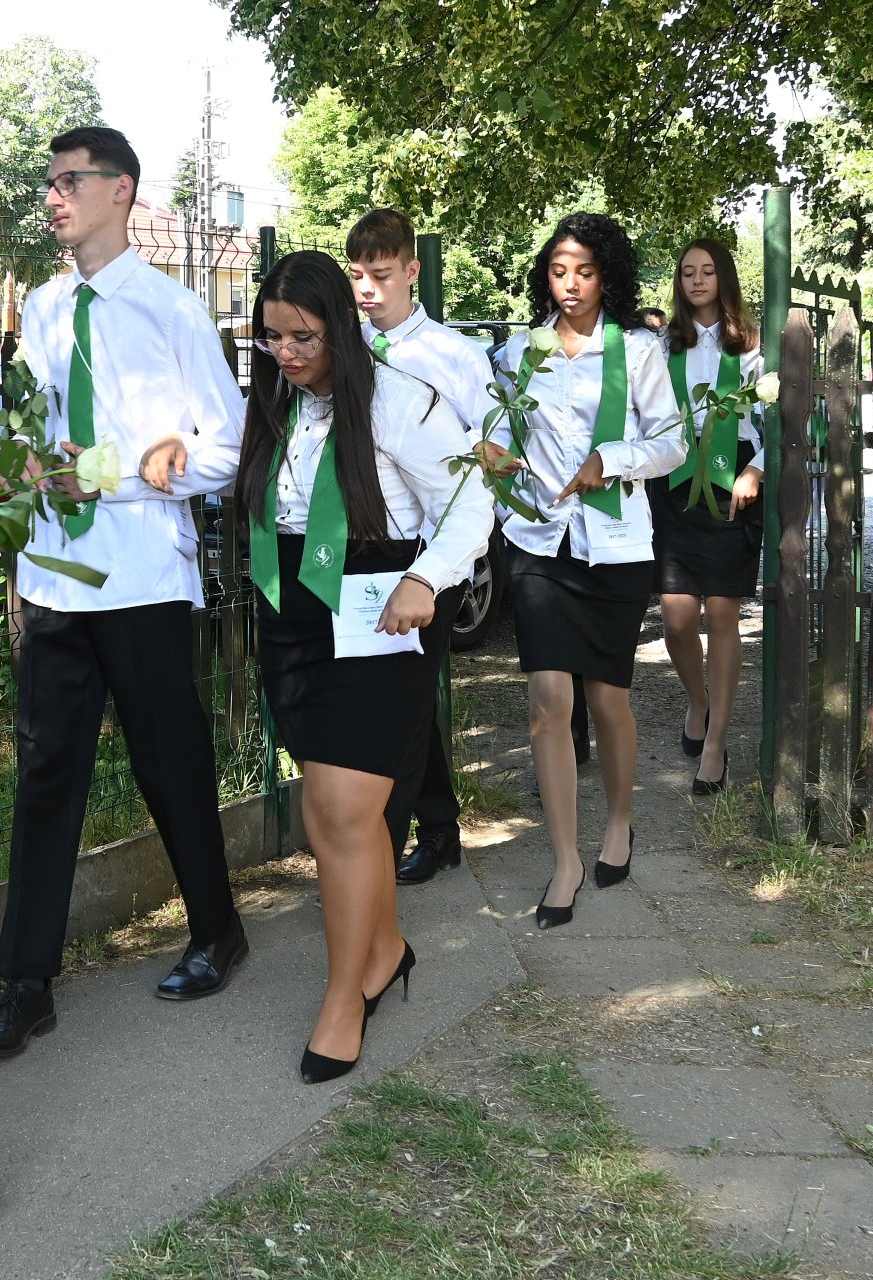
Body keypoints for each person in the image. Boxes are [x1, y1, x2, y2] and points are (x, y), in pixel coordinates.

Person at [0, 125, 248, 1059]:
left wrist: (111, 470)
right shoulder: (42, 309)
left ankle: (217, 931)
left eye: (70, 181)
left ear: (122, 190)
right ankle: (27, 984)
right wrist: (11, 471)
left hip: (139, 577)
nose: (53, 196)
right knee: (46, 778)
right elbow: (37, 434)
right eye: (48, 182)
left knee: (171, 763)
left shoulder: (172, 311)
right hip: (51, 578)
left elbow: (225, 447)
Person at [236, 250, 491, 1081]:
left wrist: (428, 579)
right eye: (272, 338)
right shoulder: (276, 400)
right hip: (293, 613)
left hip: (378, 609)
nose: (286, 353)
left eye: (302, 336)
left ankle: (345, 998)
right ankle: (383, 950)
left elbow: (469, 501)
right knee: (329, 814)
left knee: (345, 812)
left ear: (341, 325)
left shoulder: (403, 403)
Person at [479, 213, 683, 929]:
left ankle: (620, 822)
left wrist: (613, 461)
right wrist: (492, 450)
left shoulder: (638, 350)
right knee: (546, 703)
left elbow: (673, 442)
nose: (570, 285)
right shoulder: (518, 351)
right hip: (538, 541)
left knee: (608, 702)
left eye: (585, 272)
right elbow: (498, 428)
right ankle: (564, 858)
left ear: (608, 277)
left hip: (617, 547)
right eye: (559, 270)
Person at [345, 207, 494, 885]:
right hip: (366, 549)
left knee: (400, 699)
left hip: (434, 552)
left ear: (412, 270)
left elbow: (494, 441)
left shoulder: (453, 355)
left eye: (380, 274)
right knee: (400, 698)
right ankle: (438, 826)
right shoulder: (345, 346)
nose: (367, 288)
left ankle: (385, 844)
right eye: (357, 275)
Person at [650, 239, 764, 796]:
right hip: (674, 478)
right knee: (675, 618)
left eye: (708, 271)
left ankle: (715, 742)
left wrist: (758, 471)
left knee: (721, 615)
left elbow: (778, 418)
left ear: (724, 278)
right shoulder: (663, 341)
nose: (697, 280)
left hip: (731, 480)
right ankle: (698, 700)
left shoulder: (751, 344)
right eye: (687, 272)